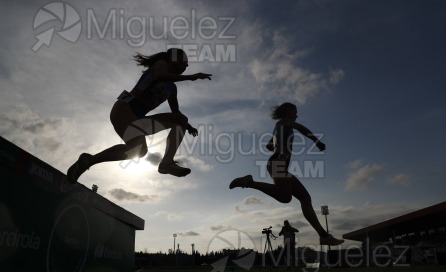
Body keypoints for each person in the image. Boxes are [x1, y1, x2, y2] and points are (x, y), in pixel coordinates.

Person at [67, 48, 211, 183]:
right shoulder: (161, 64)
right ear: (172, 60)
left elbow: (175, 112)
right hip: (124, 109)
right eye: (183, 63)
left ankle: (89, 160)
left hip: (136, 118)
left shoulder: (172, 88)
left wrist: (188, 126)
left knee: (139, 150)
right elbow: (160, 76)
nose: (185, 67)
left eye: (187, 65)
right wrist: (192, 77)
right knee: (141, 146)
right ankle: (166, 163)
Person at [229, 102, 344, 246]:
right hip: (277, 163)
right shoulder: (285, 122)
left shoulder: (278, 126)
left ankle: (324, 236)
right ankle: (249, 182)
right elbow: (301, 128)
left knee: (305, 198)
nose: (297, 115)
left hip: (279, 163)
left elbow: (269, 144)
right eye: (294, 111)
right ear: (287, 112)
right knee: (285, 198)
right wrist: (317, 141)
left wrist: (275, 144)